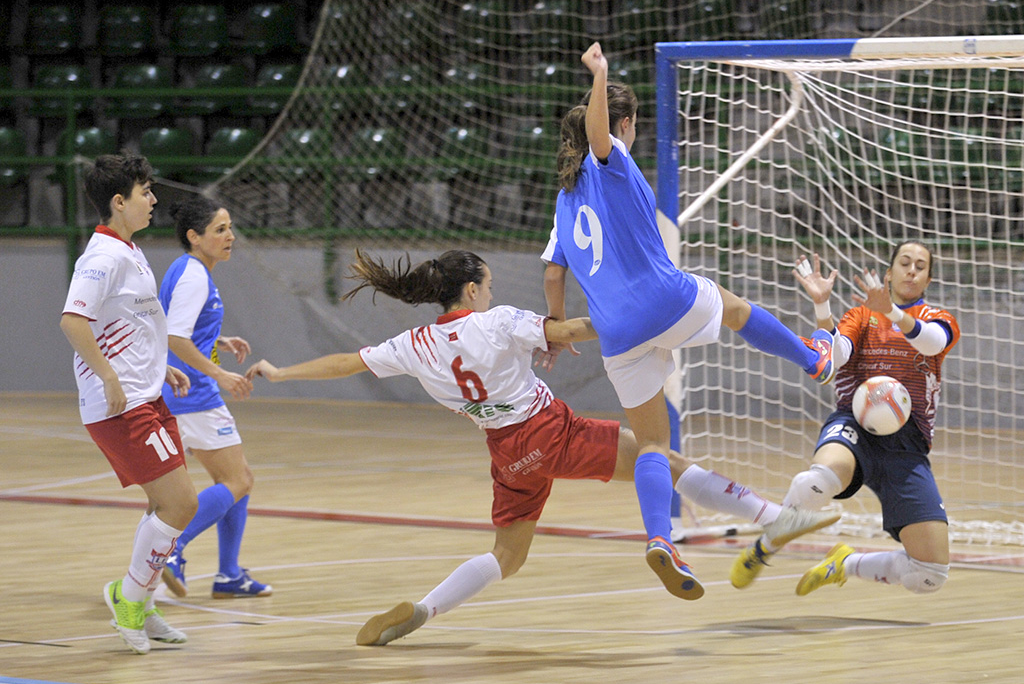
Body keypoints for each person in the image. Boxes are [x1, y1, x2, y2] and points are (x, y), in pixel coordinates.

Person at [246, 249, 837, 645]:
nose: (492, 292)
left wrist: (281, 372)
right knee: (661, 457)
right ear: (472, 288)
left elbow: (347, 361)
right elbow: (571, 330)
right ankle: (775, 517)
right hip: (550, 431)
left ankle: (424, 610)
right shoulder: (497, 321)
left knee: (508, 555)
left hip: (506, 452)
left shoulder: (416, 343)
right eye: (490, 285)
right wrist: (637, 318)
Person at [541, 42, 836, 591]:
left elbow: (554, 276)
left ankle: (660, 539)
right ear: (627, 123)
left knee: (652, 445)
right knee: (736, 308)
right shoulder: (613, 162)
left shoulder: (563, 199)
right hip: (662, 300)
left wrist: (556, 328)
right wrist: (600, 75)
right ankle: (813, 360)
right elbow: (601, 136)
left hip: (616, 334)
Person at [729, 243, 960, 596]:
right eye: (904, 263)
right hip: (854, 426)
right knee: (816, 481)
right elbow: (834, 356)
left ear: (928, 278)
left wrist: (895, 314)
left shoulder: (938, 318)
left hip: (907, 445)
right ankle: (766, 548)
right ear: (888, 273)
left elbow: (931, 344)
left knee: (929, 575)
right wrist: (822, 305)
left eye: (920, 266)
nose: (911, 270)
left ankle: (845, 563)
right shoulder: (862, 316)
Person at [59, 151, 198, 654]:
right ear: (119, 202)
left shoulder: (130, 249)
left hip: (147, 393)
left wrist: (161, 364)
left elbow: (133, 324)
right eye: (145, 192)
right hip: (121, 405)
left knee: (161, 504)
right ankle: (128, 596)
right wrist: (110, 376)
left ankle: (144, 596)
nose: (154, 199)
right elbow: (74, 321)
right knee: (183, 503)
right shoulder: (103, 257)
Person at [157, 196, 272, 599]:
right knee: (238, 480)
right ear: (195, 236)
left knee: (236, 479)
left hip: (180, 392)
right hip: (193, 394)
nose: (230, 236)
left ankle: (228, 575)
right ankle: (170, 549)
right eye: (220, 230)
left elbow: (169, 322)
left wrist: (217, 339)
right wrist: (220, 372)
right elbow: (174, 336)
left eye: (229, 228)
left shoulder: (186, 269)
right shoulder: (194, 275)